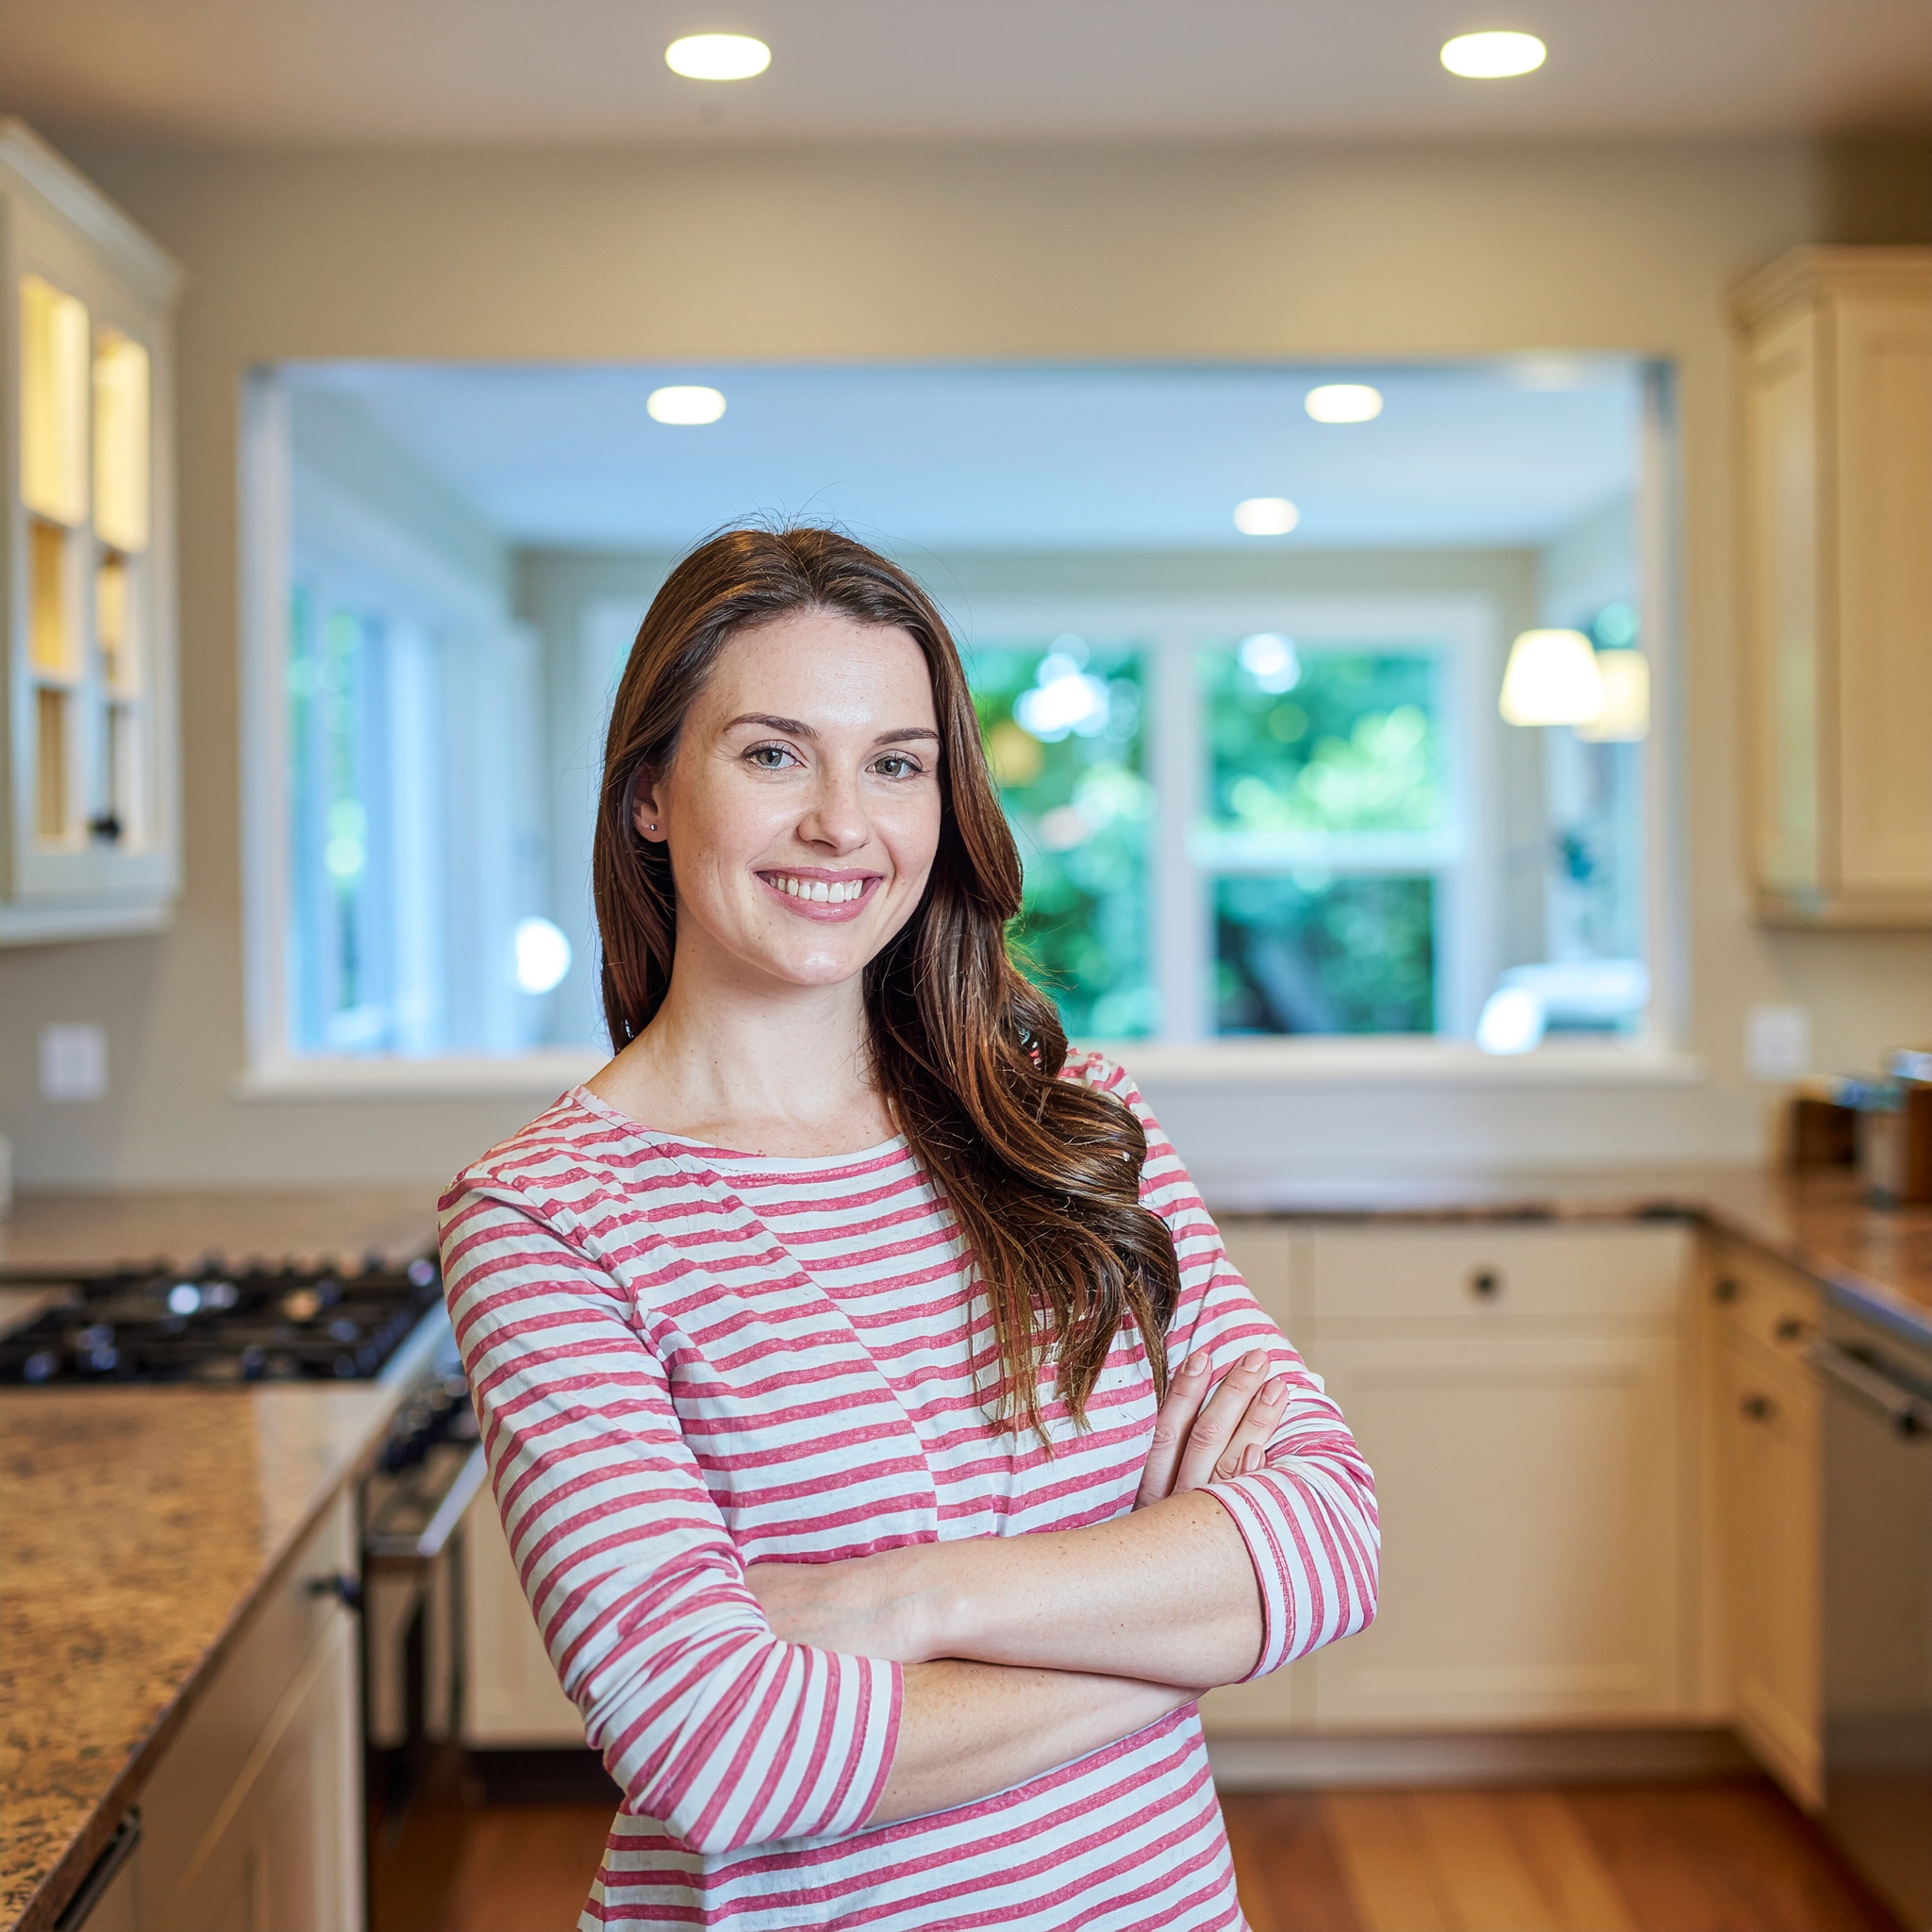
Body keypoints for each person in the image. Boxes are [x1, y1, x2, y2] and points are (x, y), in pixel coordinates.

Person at [439, 526, 1378, 1931]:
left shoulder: (1069, 1126)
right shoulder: (550, 1222)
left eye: (896, 762)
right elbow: (725, 1748)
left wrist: (905, 1603)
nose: (842, 823)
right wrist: (1182, 1630)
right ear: (649, 792)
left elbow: (1330, 1538)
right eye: (772, 754)